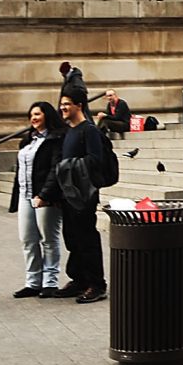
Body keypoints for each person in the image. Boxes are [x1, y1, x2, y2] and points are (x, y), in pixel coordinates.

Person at [52, 90, 108, 303]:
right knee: (72, 238)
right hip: (69, 194)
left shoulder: (89, 130)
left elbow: (95, 160)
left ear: (79, 105)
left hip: (84, 195)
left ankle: (97, 284)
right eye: (62, 104)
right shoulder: (69, 131)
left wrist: (68, 166)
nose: (63, 108)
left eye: (67, 104)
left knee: (87, 238)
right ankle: (79, 280)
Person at [9, 100, 64, 297]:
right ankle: (33, 282)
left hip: (46, 197)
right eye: (31, 115)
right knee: (28, 239)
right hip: (25, 195)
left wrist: (44, 194)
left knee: (49, 239)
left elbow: (55, 169)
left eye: (38, 114)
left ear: (47, 116)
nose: (34, 118)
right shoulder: (27, 140)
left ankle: (50, 282)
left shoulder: (55, 139)